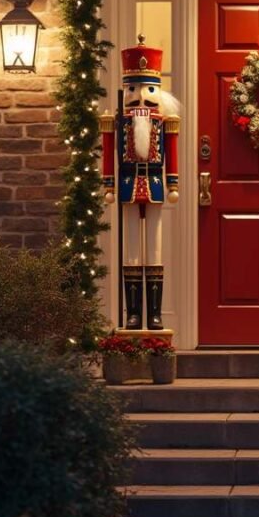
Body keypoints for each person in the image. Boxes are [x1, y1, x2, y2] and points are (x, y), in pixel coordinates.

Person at [101, 36, 180, 329]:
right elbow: (109, 155)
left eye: (148, 89)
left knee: (155, 248)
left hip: (156, 185)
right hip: (127, 185)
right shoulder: (117, 122)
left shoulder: (164, 122)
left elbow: (171, 155)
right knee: (132, 249)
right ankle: (133, 314)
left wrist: (173, 183)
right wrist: (109, 185)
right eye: (132, 89)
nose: (140, 97)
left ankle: (154, 313)